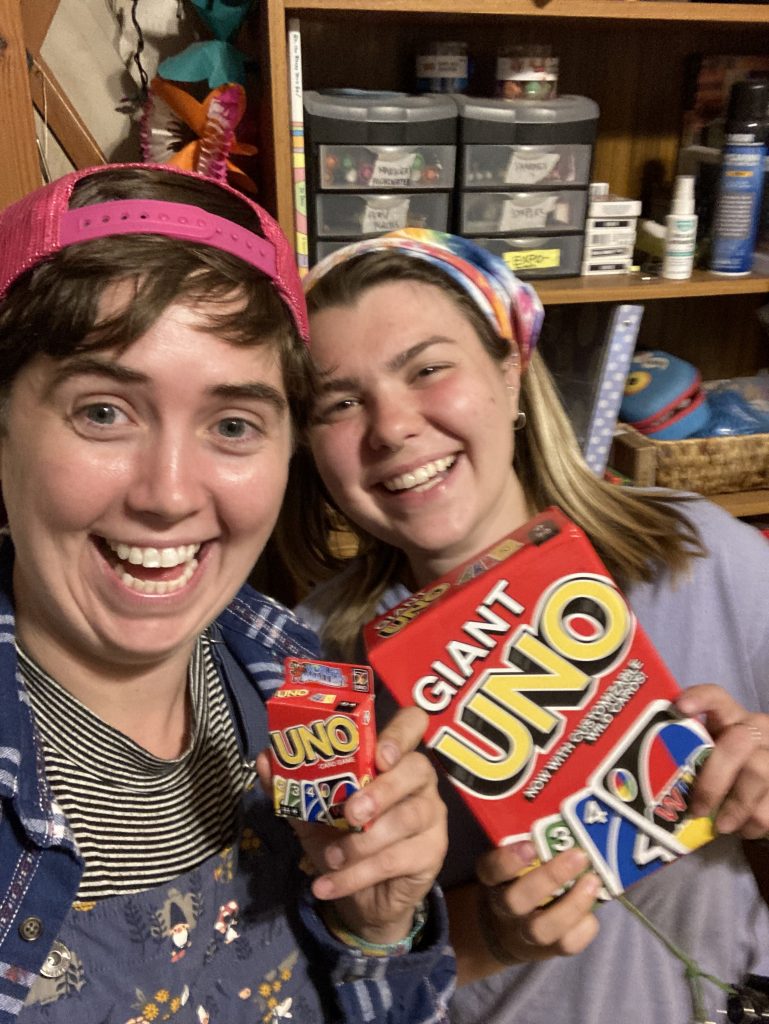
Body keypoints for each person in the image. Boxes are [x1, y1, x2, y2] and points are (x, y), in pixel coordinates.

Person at [279, 228, 769, 1024]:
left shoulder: (699, 553)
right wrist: (483, 935)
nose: (391, 426)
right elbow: (317, 974)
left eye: (426, 369)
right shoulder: (312, 670)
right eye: (339, 402)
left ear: (510, 372)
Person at [0, 168, 455, 1024]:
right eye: (103, 412)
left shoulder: (298, 675)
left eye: (234, 425)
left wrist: (373, 931)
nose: (168, 494)